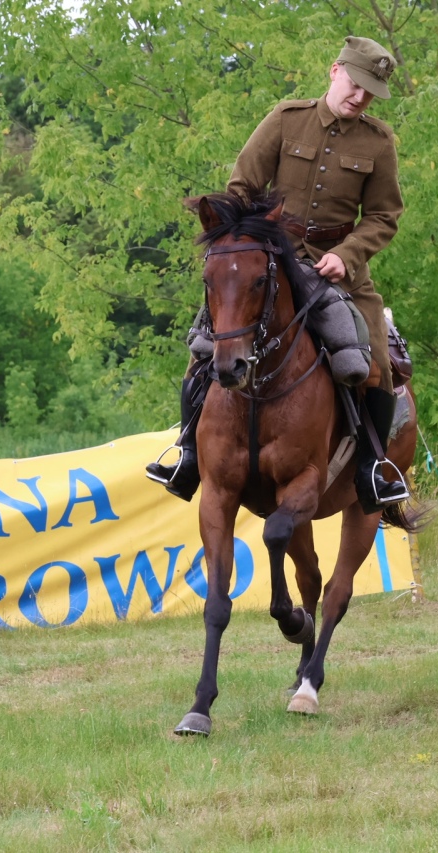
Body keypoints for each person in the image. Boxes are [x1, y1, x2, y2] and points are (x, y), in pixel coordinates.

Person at [146, 35, 409, 513]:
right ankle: (186, 454)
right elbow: (241, 186)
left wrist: (347, 255)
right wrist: (251, 244)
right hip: (269, 261)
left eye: (370, 92)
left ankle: (373, 469)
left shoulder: (378, 142)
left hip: (336, 267)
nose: (360, 97)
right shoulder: (287, 119)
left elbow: (384, 216)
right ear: (335, 71)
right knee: (206, 346)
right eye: (355, 85)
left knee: (374, 360)